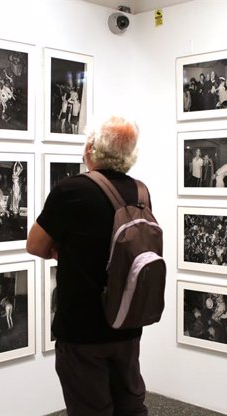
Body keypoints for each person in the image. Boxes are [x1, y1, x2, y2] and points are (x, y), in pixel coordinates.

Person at [27, 115, 150, 416]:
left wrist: (66, 250)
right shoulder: (140, 192)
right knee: (130, 407)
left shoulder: (71, 191)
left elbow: (35, 245)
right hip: (127, 321)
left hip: (82, 327)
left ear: (91, 148)